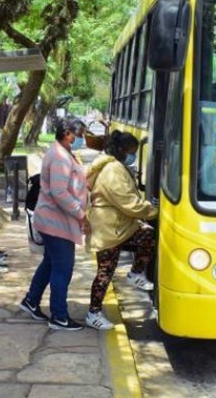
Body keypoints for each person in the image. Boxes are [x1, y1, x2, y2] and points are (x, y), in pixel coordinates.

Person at [19, 117, 90, 331]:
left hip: (56, 220)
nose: (81, 139)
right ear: (68, 133)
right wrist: (81, 214)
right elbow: (59, 192)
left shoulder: (63, 152)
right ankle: (59, 316)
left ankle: (31, 300)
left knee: (50, 262)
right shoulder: (59, 156)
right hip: (56, 222)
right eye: (80, 135)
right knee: (63, 268)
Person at [83, 131, 158, 330]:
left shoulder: (112, 165)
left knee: (147, 235)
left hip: (115, 226)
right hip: (109, 229)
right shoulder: (113, 170)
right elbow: (127, 202)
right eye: (132, 152)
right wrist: (153, 211)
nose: (133, 155)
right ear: (123, 150)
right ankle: (93, 313)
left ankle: (135, 274)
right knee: (105, 271)